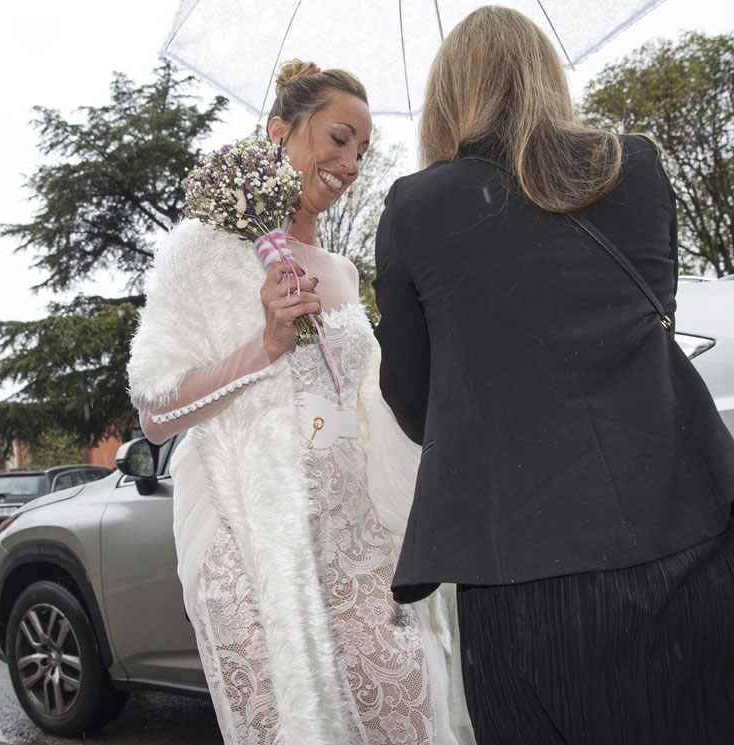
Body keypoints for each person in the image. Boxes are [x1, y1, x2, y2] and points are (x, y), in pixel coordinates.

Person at [373, 7, 734, 745]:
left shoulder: (414, 207)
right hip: (685, 540)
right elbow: (648, 323)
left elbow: (412, 401)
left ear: (450, 94)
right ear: (547, 76)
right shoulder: (633, 165)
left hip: (519, 572)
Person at [128, 60, 472, 745]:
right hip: (250, 540)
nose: (348, 163)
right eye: (337, 137)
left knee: (409, 707)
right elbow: (155, 413)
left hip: (358, 541)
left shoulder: (342, 271)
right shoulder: (202, 251)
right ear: (281, 130)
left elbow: (372, 409)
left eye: (362, 150)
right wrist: (267, 343)